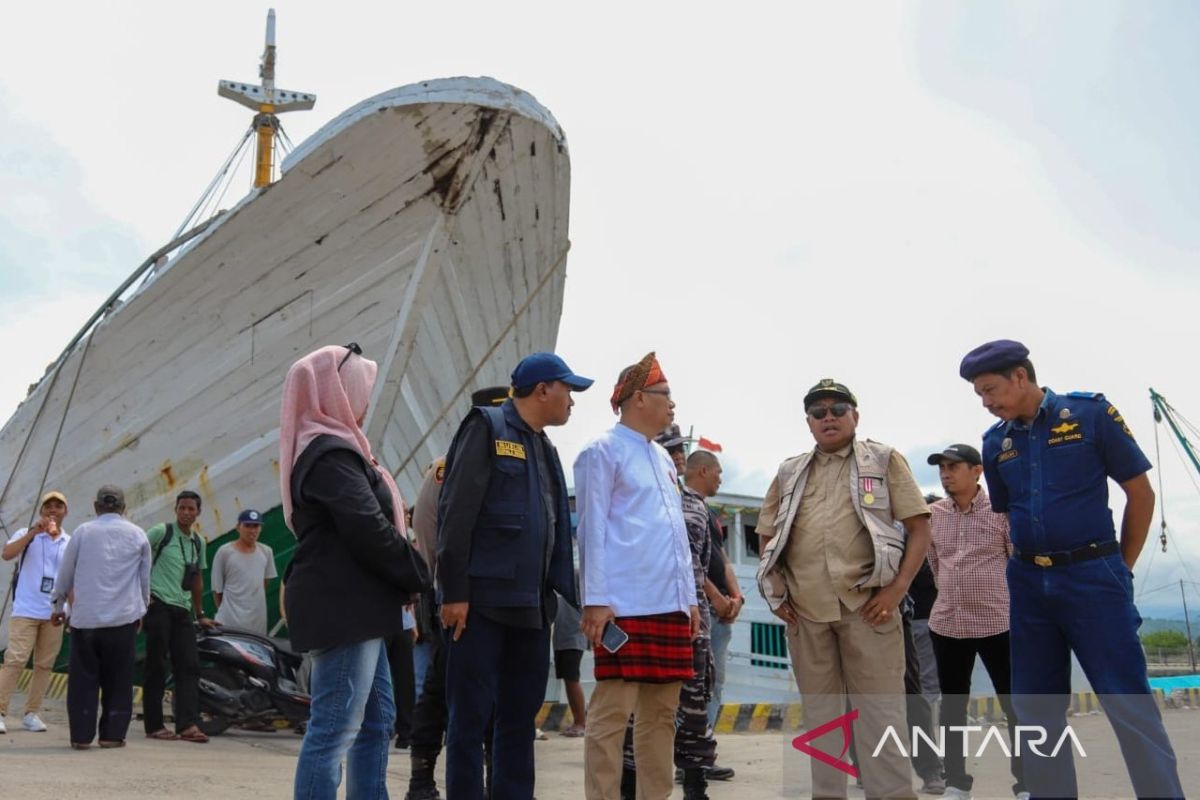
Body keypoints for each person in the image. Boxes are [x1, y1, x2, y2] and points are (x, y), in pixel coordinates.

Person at [961, 339, 1183, 799]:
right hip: (1027, 584)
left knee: (1128, 703)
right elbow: (1010, 513)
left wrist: (1119, 568)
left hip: (1093, 575)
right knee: (1037, 711)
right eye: (978, 394)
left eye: (990, 389)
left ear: (1021, 376)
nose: (985, 402)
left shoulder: (1089, 416)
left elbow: (1140, 494)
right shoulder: (994, 443)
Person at [755, 379, 930, 800]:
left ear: (856, 415)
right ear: (809, 422)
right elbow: (766, 534)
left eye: (838, 409)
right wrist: (777, 594)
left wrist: (896, 590)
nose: (828, 417)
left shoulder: (884, 460)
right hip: (806, 614)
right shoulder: (789, 471)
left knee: (881, 716)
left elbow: (919, 527)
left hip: (870, 609)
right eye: (819, 413)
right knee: (823, 721)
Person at [281, 343, 431, 799]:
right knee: (334, 729)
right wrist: (417, 575)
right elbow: (366, 526)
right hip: (346, 607)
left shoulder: (336, 450)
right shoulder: (329, 454)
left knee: (376, 720)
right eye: (359, 390)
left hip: (360, 606)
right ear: (337, 392)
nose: (364, 402)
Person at [438, 352, 590, 800]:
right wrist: (455, 593)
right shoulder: (485, 427)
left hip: (530, 607)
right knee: (468, 719)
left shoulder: (545, 448)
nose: (572, 401)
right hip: (479, 605)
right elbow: (456, 513)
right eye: (568, 390)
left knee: (519, 721)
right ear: (542, 390)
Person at [575, 352, 700, 800]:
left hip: (668, 606)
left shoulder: (664, 461)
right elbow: (591, 531)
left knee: (662, 718)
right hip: (622, 606)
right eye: (666, 396)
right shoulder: (600, 452)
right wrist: (594, 601)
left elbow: (676, 537)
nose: (673, 406)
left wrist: (690, 600)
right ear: (639, 398)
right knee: (611, 717)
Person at [406, 385, 510, 800]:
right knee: (442, 691)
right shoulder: (445, 467)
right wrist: (449, 584)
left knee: (494, 697)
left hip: (501, 605)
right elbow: (429, 534)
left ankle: (490, 781)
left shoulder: (514, 464)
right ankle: (421, 779)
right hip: (457, 600)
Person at [924, 444, 1023, 800]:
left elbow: (1018, 563)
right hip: (948, 624)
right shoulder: (933, 515)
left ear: (977, 470)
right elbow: (936, 563)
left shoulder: (1001, 512)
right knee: (952, 706)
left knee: (1015, 704)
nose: (946, 474)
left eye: (954, 467)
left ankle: (1025, 783)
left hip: (999, 622)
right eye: (942, 468)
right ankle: (956, 783)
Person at [50, 485, 150, 749]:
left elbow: (66, 574)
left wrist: (58, 606)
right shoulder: (138, 534)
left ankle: (81, 737)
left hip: (86, 620)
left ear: (96, 507)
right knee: (119, 680)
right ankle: (112, 736)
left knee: (83, 681)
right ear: (124, 508)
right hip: (123, 620)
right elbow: (144, 580)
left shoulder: (83, 532)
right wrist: (142, 610)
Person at [674, 449, 728, 800]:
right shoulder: (688, 505)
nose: (720, 478)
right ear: (704, 471)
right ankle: (694, 784)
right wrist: (705, 605)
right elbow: (692, 565)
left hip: (698, 616)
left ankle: (695, 779)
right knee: (692, 702)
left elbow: (715, 560)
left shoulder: (697, 505)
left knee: (699, 697)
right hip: (690, 620)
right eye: (718, 472)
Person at [142, 490, 212, 743]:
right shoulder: (162, 532)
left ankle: (187, 724)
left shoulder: (197, 542)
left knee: (189, 666)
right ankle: (154, 725)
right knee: (156, 665)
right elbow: (136, 553)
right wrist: (142, 594)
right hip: (159, 605)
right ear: (176, 509)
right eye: (182, 508)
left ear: (198, 513)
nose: (186, 513)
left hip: (182, 610)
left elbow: (197, 579)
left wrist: (200, 613)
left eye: (191, 509)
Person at [0, 491, 71, 734]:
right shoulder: (26, 534)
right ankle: (0, 710)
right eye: (48, 506)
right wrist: (33, 532)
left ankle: (32, 712)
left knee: (44, 664)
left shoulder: (69, 542)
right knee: (15, 660)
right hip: (26, 609)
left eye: (58, 506)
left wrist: (71, 610)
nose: (53, 510)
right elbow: (7, 554)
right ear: (41, 511)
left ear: (65, 512)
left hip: (53, 612)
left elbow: (71, 578)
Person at [210, 508, 277, 635]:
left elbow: (264, 583)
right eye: (247, 526)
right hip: (229, 623)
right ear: (238, 527)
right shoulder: (224, 552)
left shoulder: (266, 552)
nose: (252, 530)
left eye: (256, 526)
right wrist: (229, 610)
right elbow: (217, 590)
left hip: (257, 622)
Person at [553, 584, 587, 738]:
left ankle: (581, 723)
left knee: (572, 678)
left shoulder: (576, 574)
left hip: (574, 637)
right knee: (568, 679)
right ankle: (578, 721)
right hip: (562, 638)